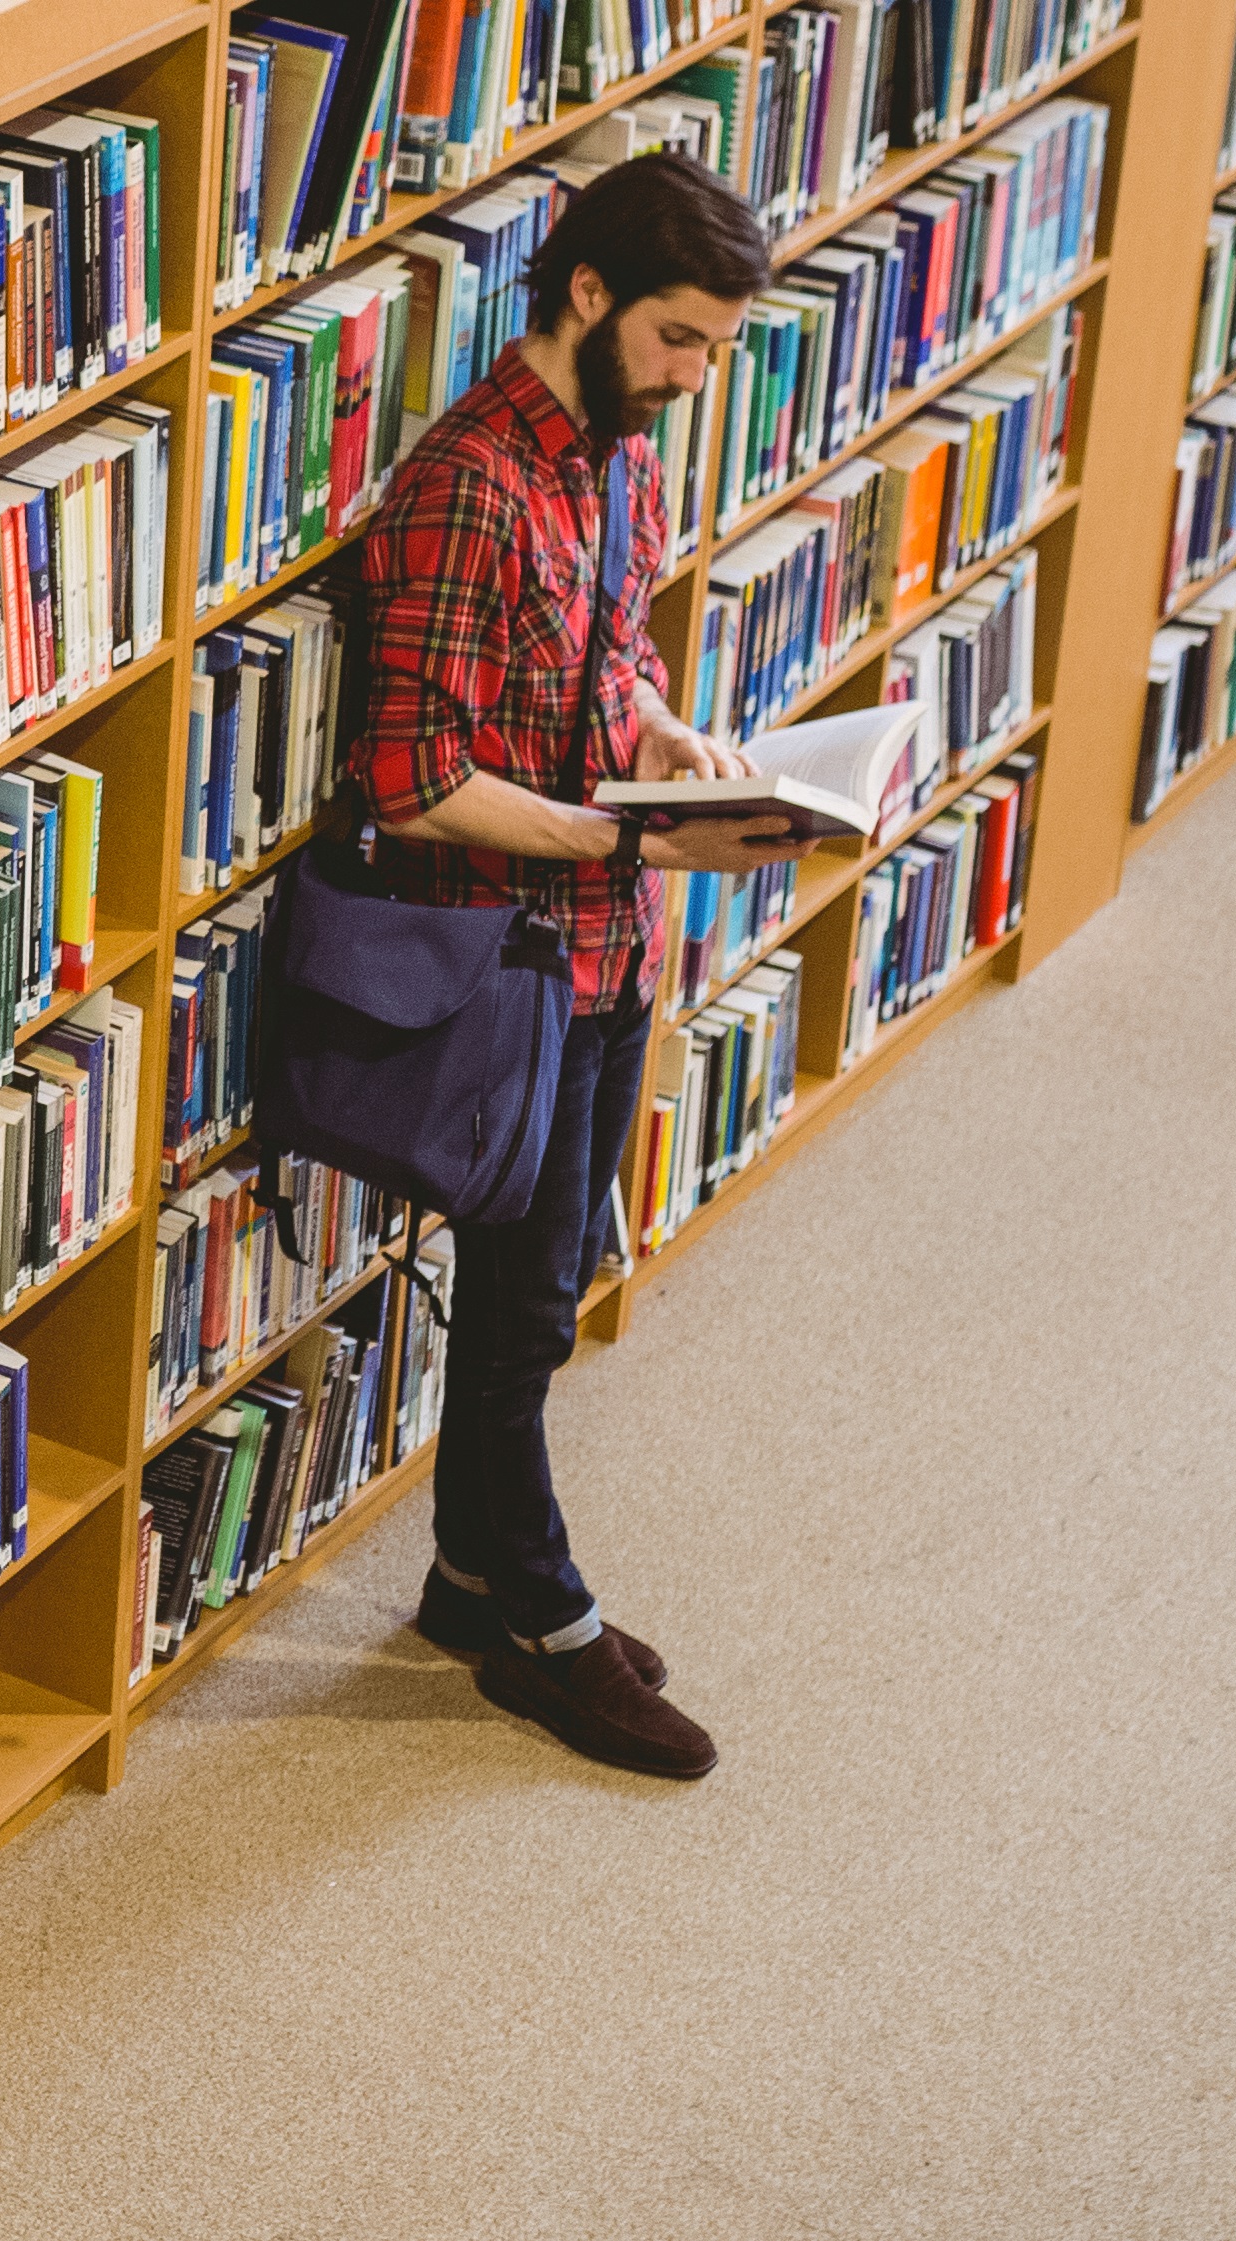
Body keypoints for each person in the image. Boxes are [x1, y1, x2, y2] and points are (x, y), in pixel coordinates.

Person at [338, 150, 804, 1781]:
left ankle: (470, 1579)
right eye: (683, 339)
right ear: (588, 297)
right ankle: (542, 1620)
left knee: (544, 1292)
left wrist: (678, 748)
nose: (697, 379)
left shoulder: (620, 462)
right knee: (522, 1305)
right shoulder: (470, 486)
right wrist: (633, 842)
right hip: (509, 963)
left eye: (719, 349)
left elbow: (618, 660)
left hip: (613, 947)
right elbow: (415, 775)